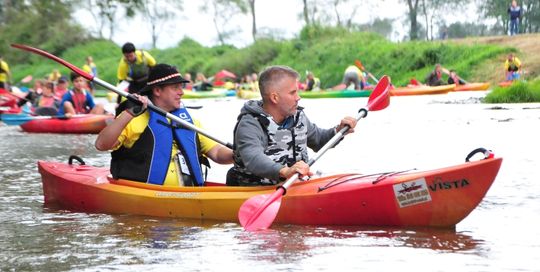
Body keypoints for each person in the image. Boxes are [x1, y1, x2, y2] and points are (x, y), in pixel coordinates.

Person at [95, 64, 233, 186]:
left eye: (181, 87)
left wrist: (240, 154)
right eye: (175, 87)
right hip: (145, 194)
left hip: (189, 194)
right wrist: (128, 113)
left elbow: (217, 153)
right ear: (157, 91)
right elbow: (101, 145)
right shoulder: (133, 119)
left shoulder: (189, 122)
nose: (182, 92)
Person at [226, 65, 357, 186]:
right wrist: (285, 171)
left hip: (295, 185)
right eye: (292, 92)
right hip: (255, 191)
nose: (298, 97)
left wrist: (339, 131)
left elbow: (319, 140)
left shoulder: (298, 116)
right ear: (275, 98)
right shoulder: (250, 124)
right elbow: (253, 158)